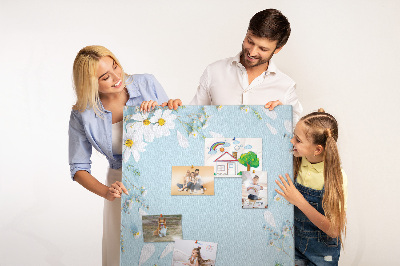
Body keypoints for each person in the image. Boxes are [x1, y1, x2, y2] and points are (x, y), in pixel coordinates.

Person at [68, 45, 181, 266]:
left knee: (163, 251)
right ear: (91, 84)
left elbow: (175, 137)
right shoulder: (82, 113)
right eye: (105, 77)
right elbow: (78, 167)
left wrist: (166, 110)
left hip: (159, 183)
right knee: (122, 255)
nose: (116, 77)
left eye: (115, 66)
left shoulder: (146, 83)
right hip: (119, 189)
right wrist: (106, 192)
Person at [190, 9, 302, 124]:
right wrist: (174, 110)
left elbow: (298, 136)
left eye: (262, 49)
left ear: (278, 49)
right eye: (250, 41)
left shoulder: (286, 87)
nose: (252, 52)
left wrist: (283, 119)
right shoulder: (214, 71)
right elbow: (192, 119)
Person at [275, 108, 347, 265]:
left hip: (322, 254)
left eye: (298, 140)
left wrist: (299, 201)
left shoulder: (335, 178)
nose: (292, 141)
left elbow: (334, 230)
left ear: (317, 149)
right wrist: (278, 109)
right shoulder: (299, 160)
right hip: (295, 247)